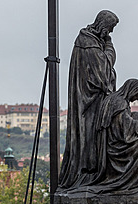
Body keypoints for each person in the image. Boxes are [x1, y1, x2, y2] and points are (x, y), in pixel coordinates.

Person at [58, 10, 119, 190]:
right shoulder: (89, 43)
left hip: (88, 98)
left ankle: (92, 170)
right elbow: (103, 71)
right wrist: (109, 47)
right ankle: (89, 171)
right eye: (111, 28)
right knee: (90, 138)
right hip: (90, 101)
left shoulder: (89, 39)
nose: (111, 32)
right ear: (103, 25)